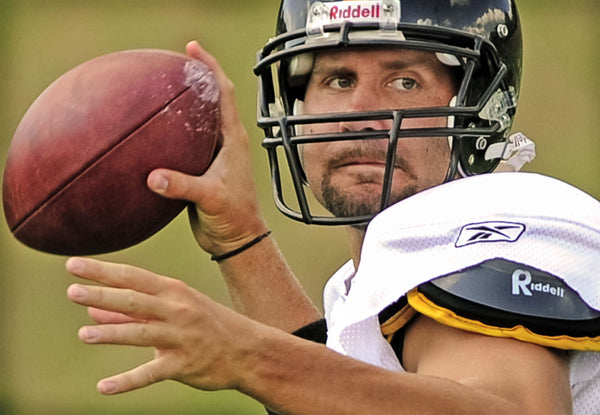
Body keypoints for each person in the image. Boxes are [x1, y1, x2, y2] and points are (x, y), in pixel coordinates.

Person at [65, 1, 599, 414]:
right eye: (338, 80)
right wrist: (238, 240)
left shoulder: (500, 218)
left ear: (478, 105)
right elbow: (345, 394)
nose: (359, 112)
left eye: (404, 81)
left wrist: (251, 356)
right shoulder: (381, 274)